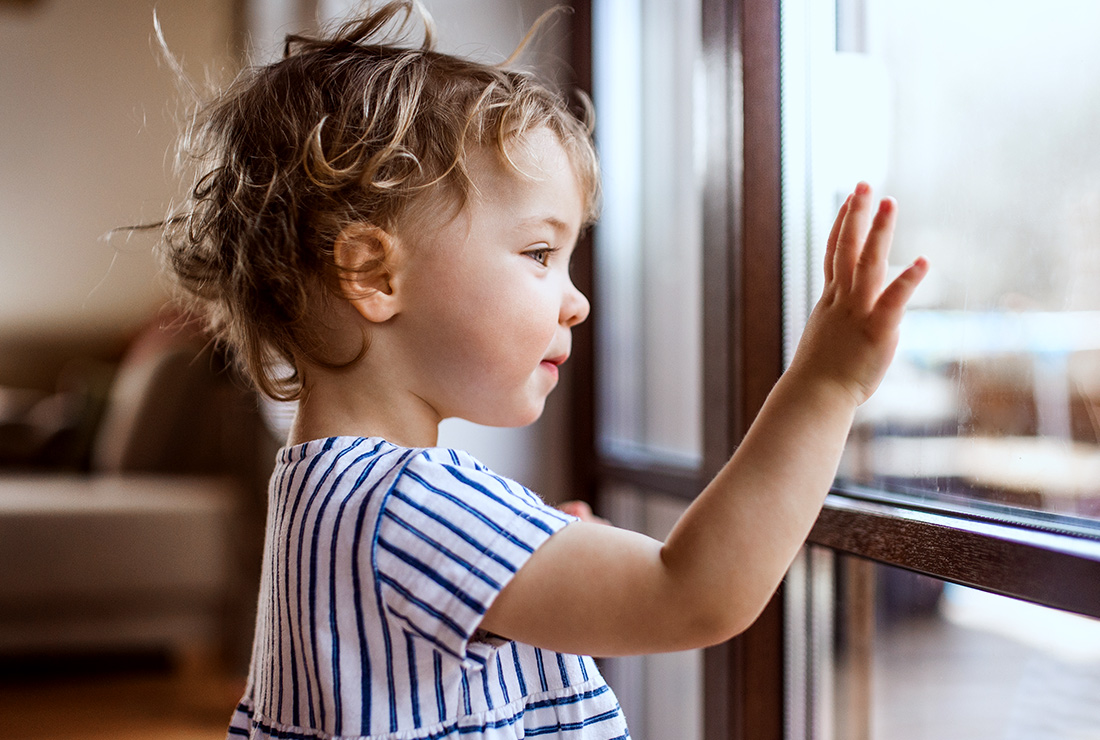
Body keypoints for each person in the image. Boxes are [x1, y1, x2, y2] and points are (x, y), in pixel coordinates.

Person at [155, 2, 928, 738]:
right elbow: (691, 594)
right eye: (538, 254)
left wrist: (532, 554)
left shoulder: (327, 489)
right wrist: (825, 386)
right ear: (375, 276)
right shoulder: (411, 504)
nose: (577, 301)